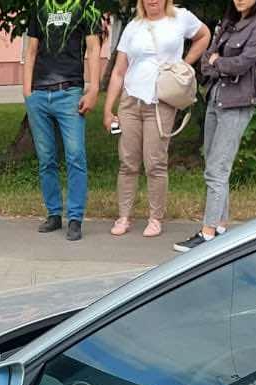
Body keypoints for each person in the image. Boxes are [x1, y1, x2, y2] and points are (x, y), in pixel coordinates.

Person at [102, 0, 210, 239]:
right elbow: (119, 71)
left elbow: (204, 35)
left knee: (155, 163)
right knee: (128, 162)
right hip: (131, 101)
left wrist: (183, 64)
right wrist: (108, 109)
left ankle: (155, 218)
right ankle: (124, 216)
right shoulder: (133, 26)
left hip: (160, 101)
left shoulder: (180, 17)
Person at [178, 0, 256, 252]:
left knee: (217, 169)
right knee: (214, 165)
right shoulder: (229, 23)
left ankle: (207, 235)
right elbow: (206, 60)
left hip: (238, 104)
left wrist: (219, 63)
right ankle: (219, 226)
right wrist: (217, 62)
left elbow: (242, 63)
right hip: (216, 100)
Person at [22, 0, 104, 240]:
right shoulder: (39, 5)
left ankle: (75, 218)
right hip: (38, 93)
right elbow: (31, 49)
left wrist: (94, 88)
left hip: (69, 93)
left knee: (75, 156)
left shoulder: (87, 5)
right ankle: (54, 214)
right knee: (46, 159)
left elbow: (93, 47)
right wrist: (27, 92)